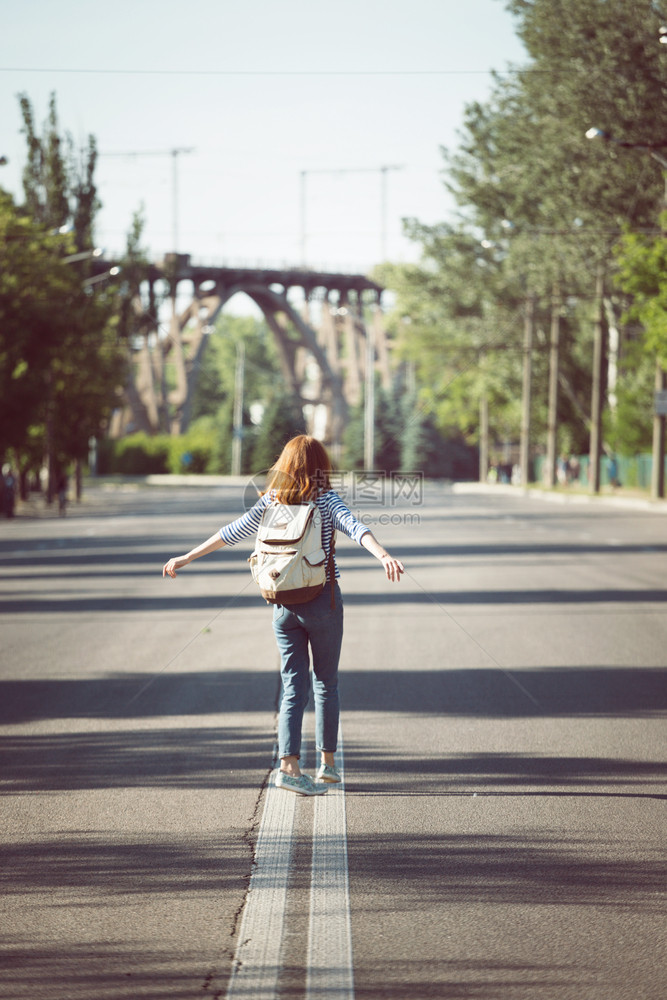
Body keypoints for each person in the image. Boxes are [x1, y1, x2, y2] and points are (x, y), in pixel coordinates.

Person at [162, 435, 405, 795]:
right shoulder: (325, 499)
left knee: (293, 686)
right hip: (322, 602)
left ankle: (288, 768)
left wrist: (185, 557)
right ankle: (327, 766)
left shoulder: (270, 502)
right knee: (326, 682)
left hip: (281, 604)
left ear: (285, 466)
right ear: (322, 467)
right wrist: (383, 555)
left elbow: (229, 534)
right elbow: (356, 528)